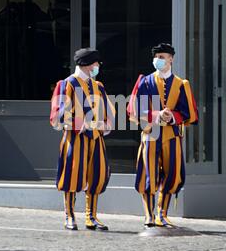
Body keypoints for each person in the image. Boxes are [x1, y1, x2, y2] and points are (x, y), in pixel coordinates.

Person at [127, 43, 199, 229]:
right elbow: (136, 110)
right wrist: (157, 115)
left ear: (171, 59)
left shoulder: (181, 84)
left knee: (172, 174)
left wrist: (172, 117)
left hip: (171, 135)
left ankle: (162, 213)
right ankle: (149, 215)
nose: (159, 59)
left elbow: (188, 113)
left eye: (162, 56)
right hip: (151, 133)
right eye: (156, 56)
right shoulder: (145, 82)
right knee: (148, 173)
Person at [50, 48, 115, 231]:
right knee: (71, 176)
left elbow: (108, 112)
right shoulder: (66, 84)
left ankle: (91, 216)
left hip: (96, 139)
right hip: (75, 138)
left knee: (97, 175)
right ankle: (69, 216)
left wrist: (105, 124)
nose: (98, 67)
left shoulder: (98, 86)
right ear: (88, 65)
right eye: (96, 64)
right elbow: (58, 115)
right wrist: (84, 124)